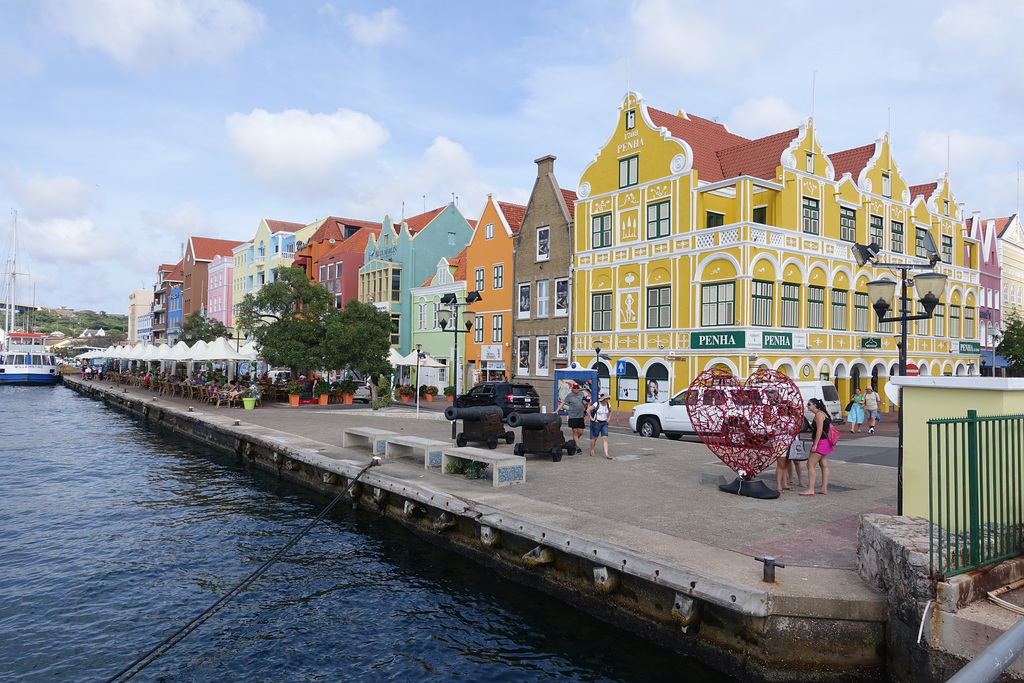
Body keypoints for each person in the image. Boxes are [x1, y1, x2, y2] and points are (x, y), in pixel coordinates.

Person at [801, 398, 832, 496]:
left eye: (809, 404)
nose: (807, 406)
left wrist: (815, 445)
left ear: (815, 405)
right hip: (825, 441)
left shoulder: (819, 415)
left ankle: (811, 489)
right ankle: (824, 488)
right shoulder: (823, 413)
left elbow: (819, 430)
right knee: (824, 465)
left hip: (820, 442)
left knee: (810, 465)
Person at [558, 382, 589, 449]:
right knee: (575, 431)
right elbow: (563, 403)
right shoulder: (569, 395)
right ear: (572, 389)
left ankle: (573, 442)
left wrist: (585, 402)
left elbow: (585, 403)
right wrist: (557, 410)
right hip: (573, 416)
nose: (576, 389)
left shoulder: (581, 394)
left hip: (580, 416)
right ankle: (578, 447)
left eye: (577, 387)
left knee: (580, 432)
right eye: (574, 388)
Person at [588, 392, 612, 459]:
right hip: (597, 422)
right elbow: (588, 410)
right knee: (595, 437)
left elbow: (610, 411)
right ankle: (592, 450)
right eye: (606, 398)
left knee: (605, 438)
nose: (607, 399)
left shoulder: (608, 405)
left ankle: (606, 454)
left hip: (604, 423)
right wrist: (591, 418)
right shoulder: (597, 404)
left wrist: (609, 418)